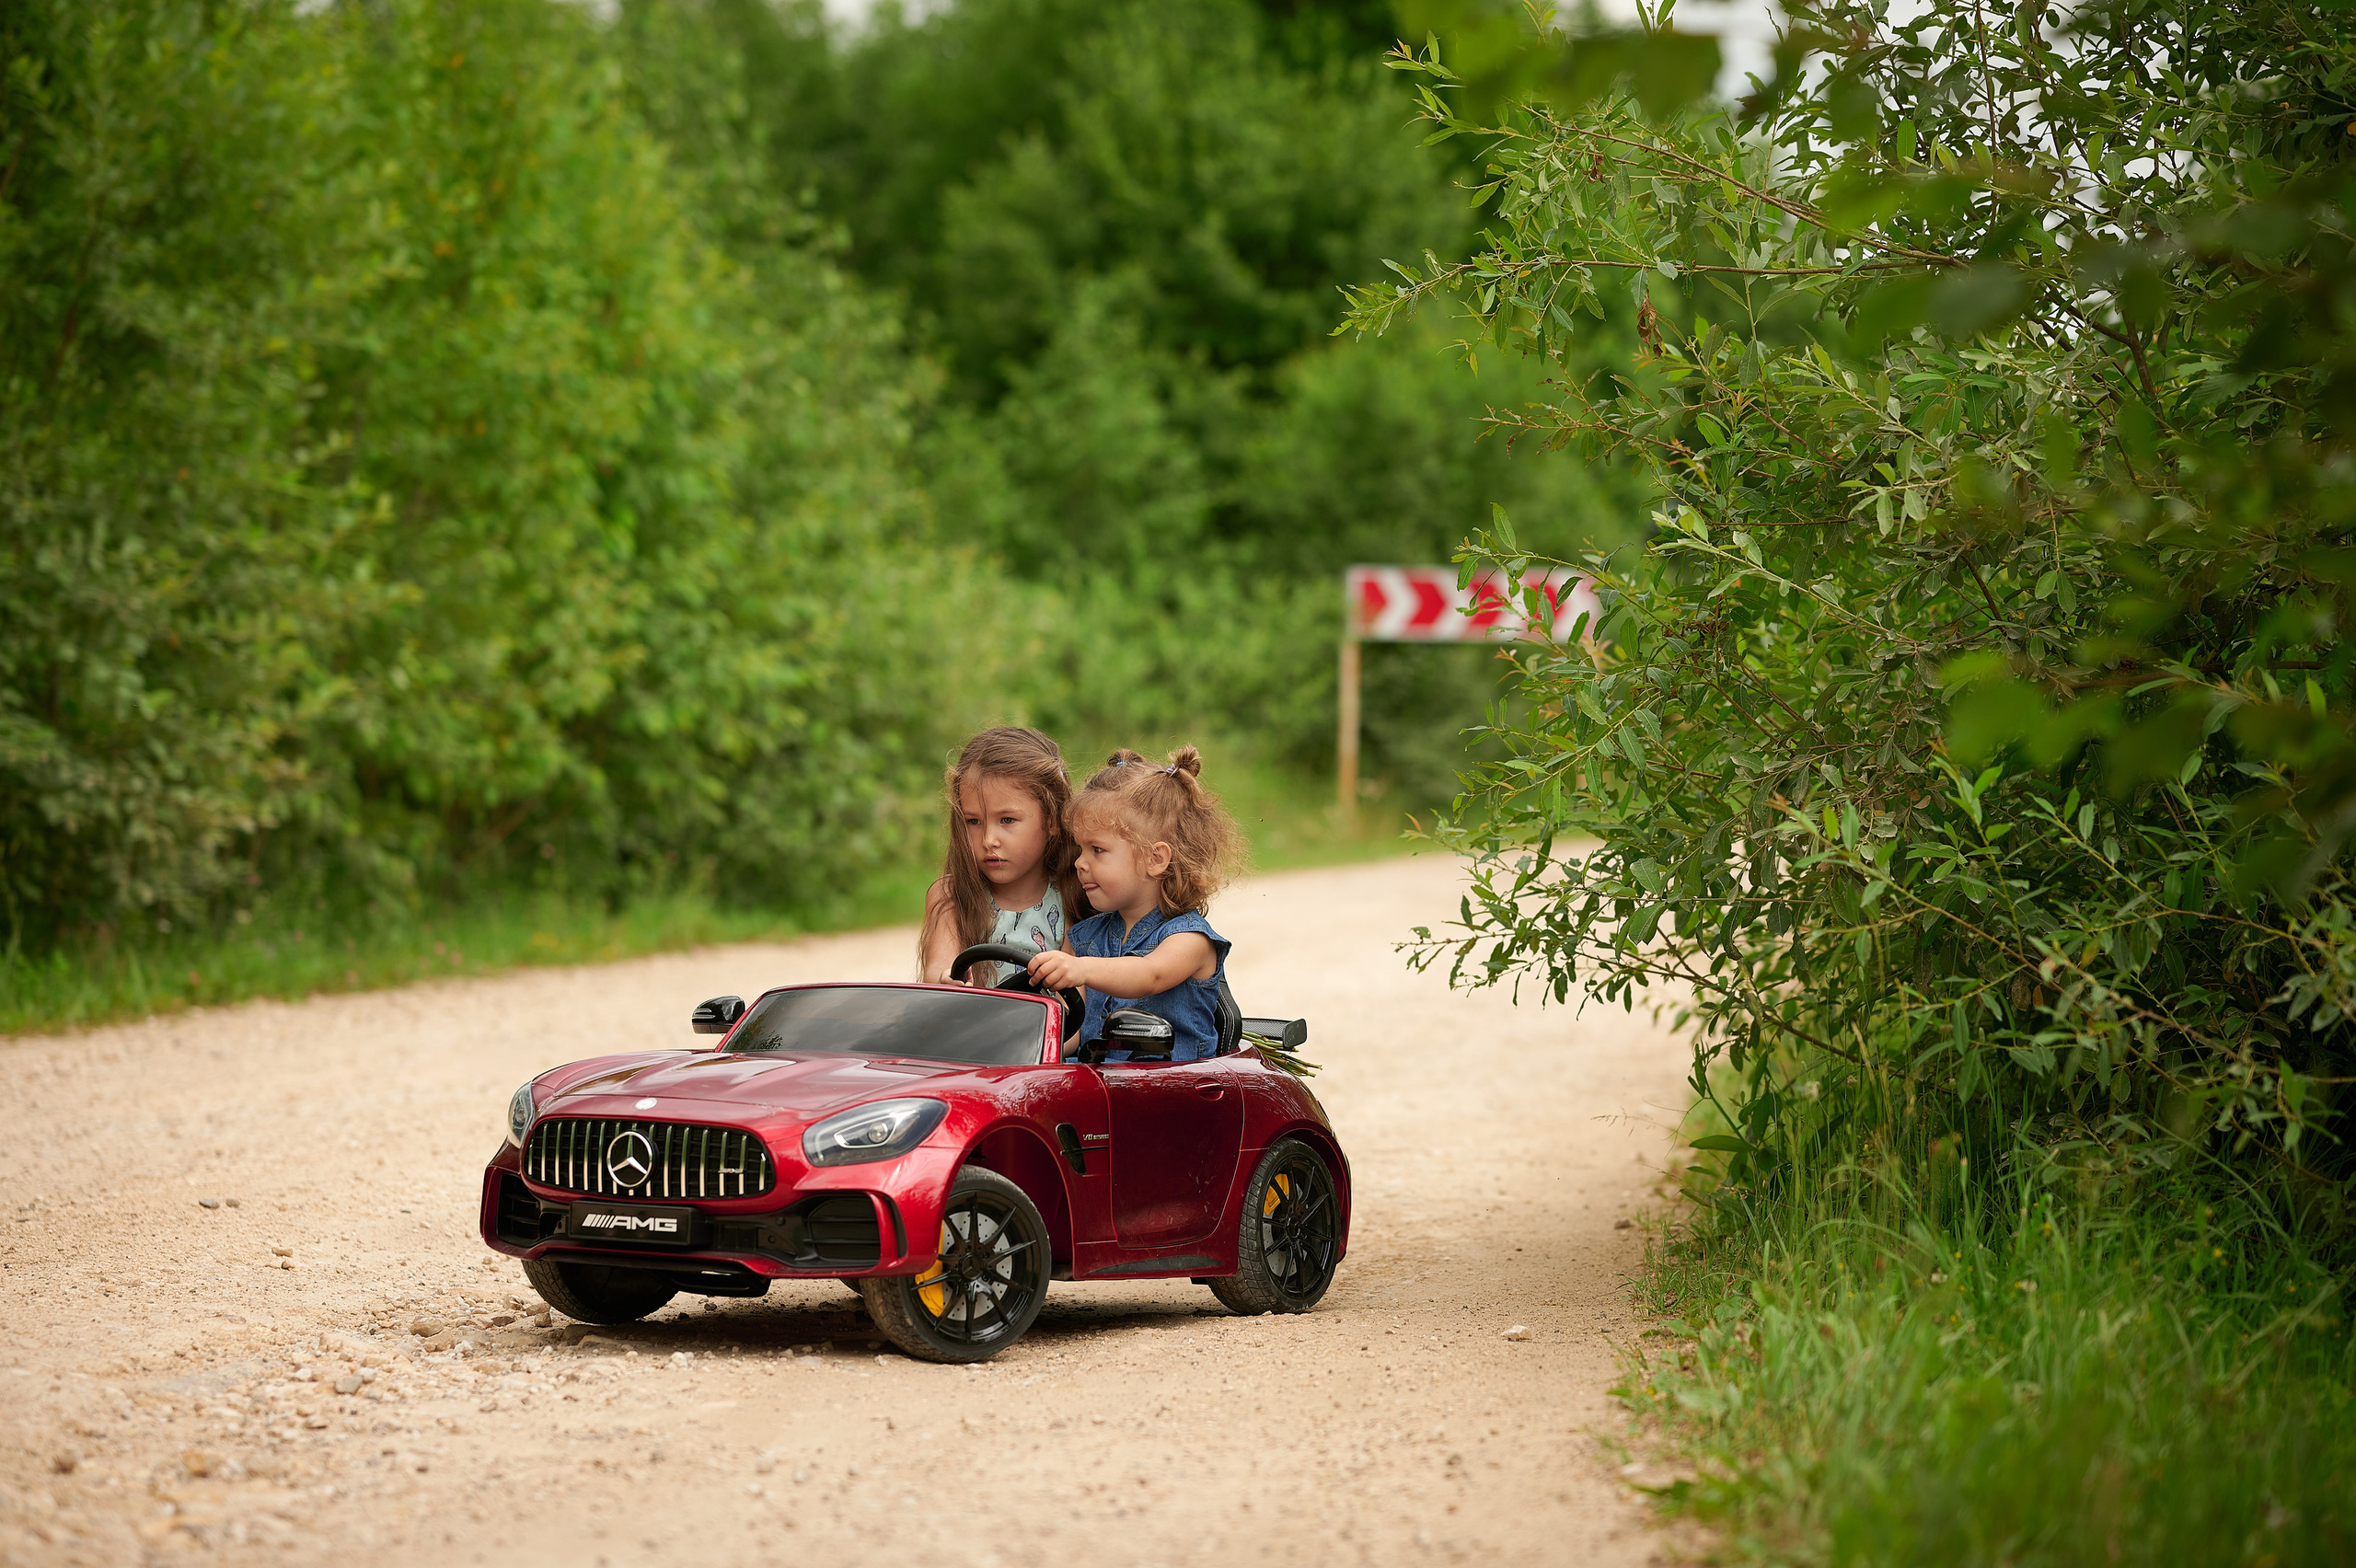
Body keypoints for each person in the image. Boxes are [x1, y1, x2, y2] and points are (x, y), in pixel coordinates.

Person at [1025, 746, 1243, 1062]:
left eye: (1097, 850)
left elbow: (1148, 974)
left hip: (1173, 1092)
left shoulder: (1189, 940)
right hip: (1099, 1086)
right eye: (1080, 849)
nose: (1080, 863)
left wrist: (1081, 968)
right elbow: (1070, 1035)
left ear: (1155, 859)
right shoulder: (1084, 938)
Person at [918, 727, 1087, 987]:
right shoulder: (952, 894)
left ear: (1052, 819)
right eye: (973, 821)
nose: (988, 840)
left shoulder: (1071, 892)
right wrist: (945, 981)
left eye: (1007, 820)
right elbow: (938, 969)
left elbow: (1075, 994)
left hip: (1049, 1028)